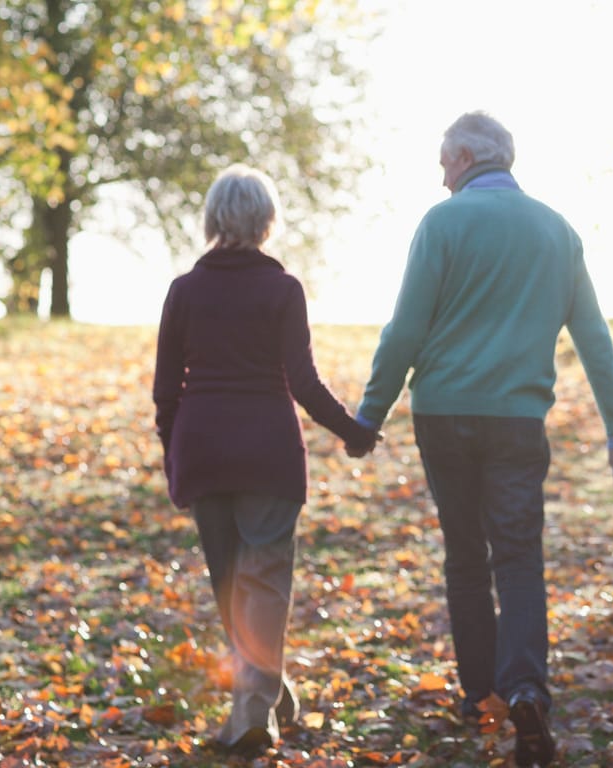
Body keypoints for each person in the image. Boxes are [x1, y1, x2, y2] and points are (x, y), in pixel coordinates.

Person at [355, 111, 613, 767]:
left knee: (464, 553)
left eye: (441, 161)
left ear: (460, 158)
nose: (440, 174)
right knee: (517, 557)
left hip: (444, 415)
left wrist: (371, 415)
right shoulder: (557, 232)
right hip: (517, 420)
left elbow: (405, 331)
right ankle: (524, 690)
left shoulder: (442, 222)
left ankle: (478, 689)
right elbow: (594, 340)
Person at [152, 164, 380, 755]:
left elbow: (165, 391)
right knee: (264, 583)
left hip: (203, 451)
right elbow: (302, 381)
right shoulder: (282, 290)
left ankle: (263, 701)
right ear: (266, 221)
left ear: (212, 220)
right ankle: (258, 707)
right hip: (268, 453)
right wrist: (352, 431)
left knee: (231, 585)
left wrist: (173, 454)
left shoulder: (184, 290)